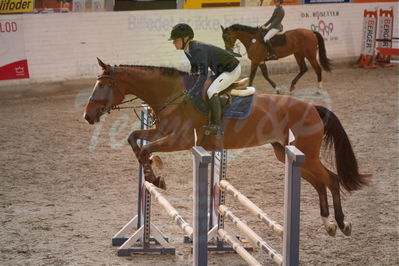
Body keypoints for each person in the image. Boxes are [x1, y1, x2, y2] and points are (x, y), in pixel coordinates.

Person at [169, 23, 241, 138]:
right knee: (204, 88)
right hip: (219, 71)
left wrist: (191, 94)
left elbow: (203, 75)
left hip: (231, 70)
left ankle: (217, 126)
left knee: (211, 91)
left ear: (185, 38)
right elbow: (194, 69)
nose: (173, 43)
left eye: (175, 40)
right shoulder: (188, 50)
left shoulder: (197, 49)